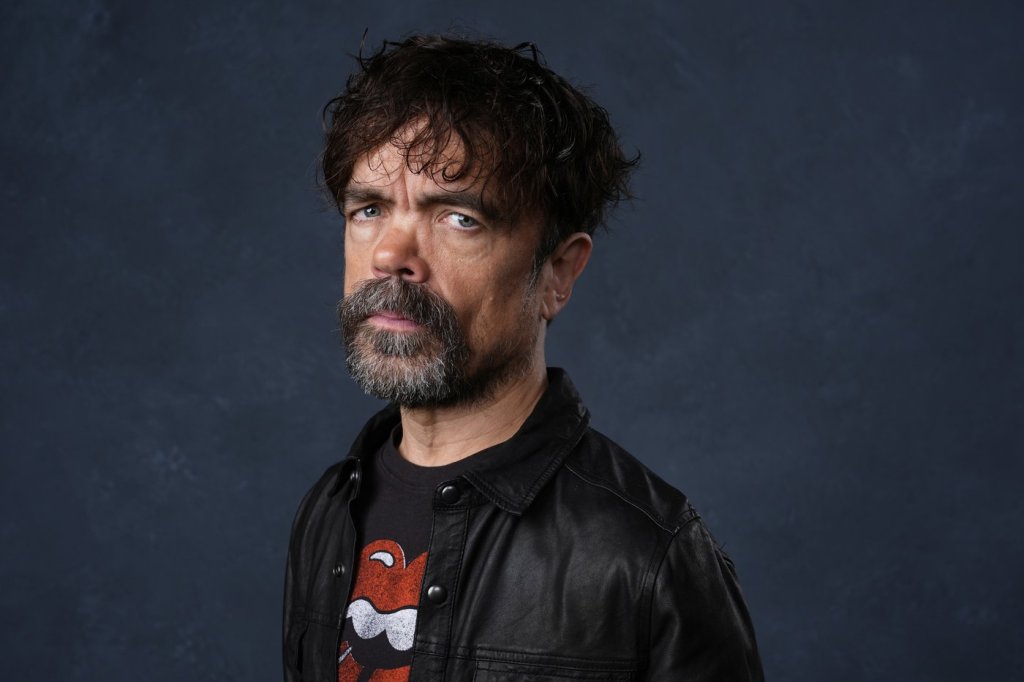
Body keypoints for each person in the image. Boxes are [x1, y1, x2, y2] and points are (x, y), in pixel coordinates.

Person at [283, 35, 763, 682]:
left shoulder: (648, 556)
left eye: (460, 218)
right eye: (368, 209)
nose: (391, 254)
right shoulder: (329, 512)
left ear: (558, 273)